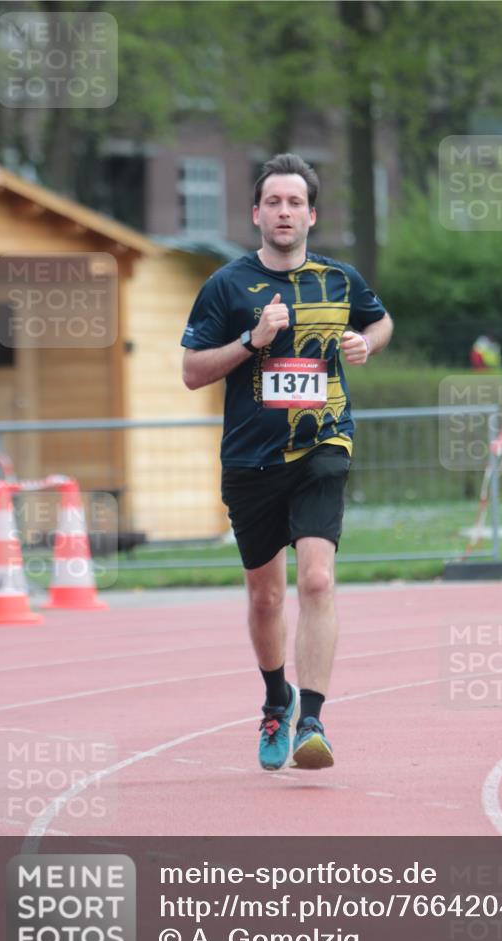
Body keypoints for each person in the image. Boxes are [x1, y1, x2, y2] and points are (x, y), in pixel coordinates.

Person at [181, 153, 393, 770]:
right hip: (251, 459)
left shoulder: (340, 280)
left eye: (294, 202)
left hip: (323, 443)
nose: (283, 211)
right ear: (256, 213)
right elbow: (192, 372)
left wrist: (364, 343)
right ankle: (278, 697)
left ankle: (313, 721)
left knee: (318, 580)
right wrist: (252, 341)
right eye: (273, 202)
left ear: (311, 214)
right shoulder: (226, 286)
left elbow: (380, 324)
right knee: (266, 598)